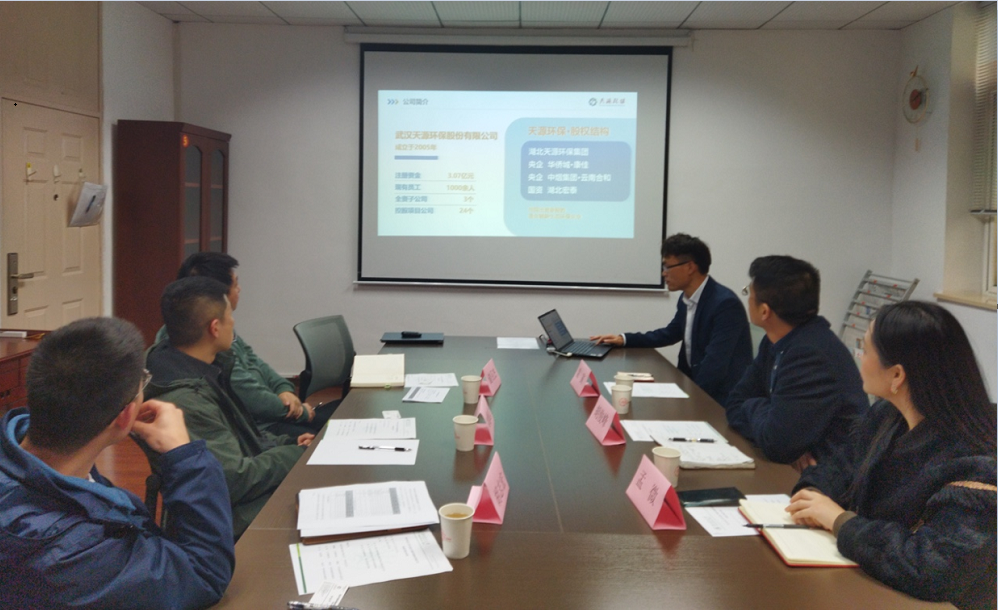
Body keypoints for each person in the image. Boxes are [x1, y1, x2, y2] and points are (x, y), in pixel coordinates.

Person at [0, 317, 234, 609]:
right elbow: (203, 575)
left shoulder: (33, 462)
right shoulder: (74, 553)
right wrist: (185, 457)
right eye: (143, 381)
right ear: (125, 415)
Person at [788, 301, 996, 609]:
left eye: (865, 349)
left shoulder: (979, 459)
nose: (859, 357)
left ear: (897, 375)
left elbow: (933, 568)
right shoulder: (887, 415)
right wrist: (813, 494)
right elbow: (840, 466)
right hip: (874, 586)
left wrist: (840, 521)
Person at [146, 276, 311, 538]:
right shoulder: (185, 400)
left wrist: (287, 443)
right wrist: (295, 454)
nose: (233, 323)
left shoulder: (203, 367)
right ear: (215, 328)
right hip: (228, 522)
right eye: (229, 316)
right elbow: (235, 480)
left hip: (243, 500)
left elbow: (245, 438)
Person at [160, 252, 327, 437]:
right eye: (235, 284)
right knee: (320, 439)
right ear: (218, 293)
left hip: (270, 416)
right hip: (257, 426)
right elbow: (250, 398)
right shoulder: (199, 340)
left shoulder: (217, 326)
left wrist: (284, 389)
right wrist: (300, 412)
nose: (239, 289)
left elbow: (255, 361)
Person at [724, 255, 867, 470]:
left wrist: (753, 406)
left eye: (749, 293)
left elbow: (776, 445)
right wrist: (770, 419)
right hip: (797, 468)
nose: (748, 299)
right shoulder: (775, 340)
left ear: (764, 311)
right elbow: (735, 403)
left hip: (831, 476)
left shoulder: (810, 355)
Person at [590, 233, 752, 404]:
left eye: (668, 267)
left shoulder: (725, 304)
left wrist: (690, 399)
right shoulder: (687, 299)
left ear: (690, 267)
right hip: (694, 388)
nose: (663, 274)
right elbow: (669, 334)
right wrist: (624, 339)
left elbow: (715, 365)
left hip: (721, 399)